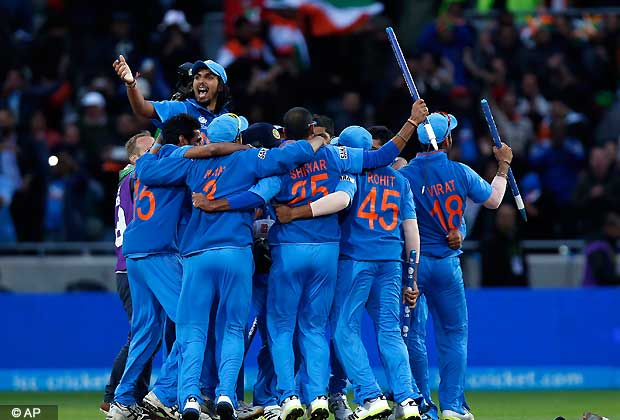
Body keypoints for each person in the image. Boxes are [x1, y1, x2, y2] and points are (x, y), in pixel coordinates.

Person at [133, 113, 326, 420]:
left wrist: (158, 142)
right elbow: (291, 156)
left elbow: (145, 170)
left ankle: (190, 400)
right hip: (236, 253)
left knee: (192, 331)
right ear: (238, 138)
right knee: (232, 329)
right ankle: (226, 394)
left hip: (197, 256)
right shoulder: (249, 159)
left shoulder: (191, 163)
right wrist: (316, 140)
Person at [273, 125, 424, 420]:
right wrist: (413, 276)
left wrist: (294, 212)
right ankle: (407, 400)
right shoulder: (399, 181)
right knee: (390, 333)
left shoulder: (349, 175)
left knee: (344, 330)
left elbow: (340, 202)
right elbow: (412, 231)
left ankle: (370, 395)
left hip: (354, 260)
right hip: (392, 263)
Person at [399, 112, 512, 420]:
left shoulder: (405, 175)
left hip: (413, 265)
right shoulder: (460, 172)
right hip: (448, 267)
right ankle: (452, 405)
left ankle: (419, 405)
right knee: (453, 335)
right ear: (446, 140)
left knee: (412, 335)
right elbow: (494, 200)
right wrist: (503, 165)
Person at [101, 131, 155, 414]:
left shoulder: (128, 179)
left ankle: (137, 396)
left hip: (129, 267)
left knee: (147, 334)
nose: (155, 150)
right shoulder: (136, 179)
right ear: (133, 158)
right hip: (131, 268)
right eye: (149, 149)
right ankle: (114, 396)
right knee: (141, 335)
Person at [113, 55, 230, 138]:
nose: (201, 81)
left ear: (220, 87)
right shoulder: (183, 108)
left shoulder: (228, 118)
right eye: (197, 77)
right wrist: (131, 84)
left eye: (208, 77)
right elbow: (142, 108)